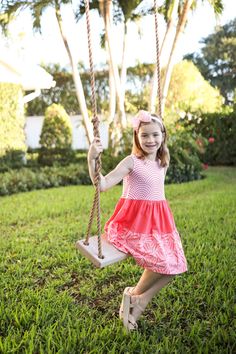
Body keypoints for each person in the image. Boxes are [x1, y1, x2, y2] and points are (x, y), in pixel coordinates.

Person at [87, 110, 188, 331]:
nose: (150, 140)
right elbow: (102, 184)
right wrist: (92, 158)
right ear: (137, 137)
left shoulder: (163, 162)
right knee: (164, 262)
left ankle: (138, 298)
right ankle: (134, 298)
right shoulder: (131, 162)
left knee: (177, 265)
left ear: (163, 135)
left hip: (159, 222)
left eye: (155, 135)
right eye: (144, 136)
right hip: (133, 224)